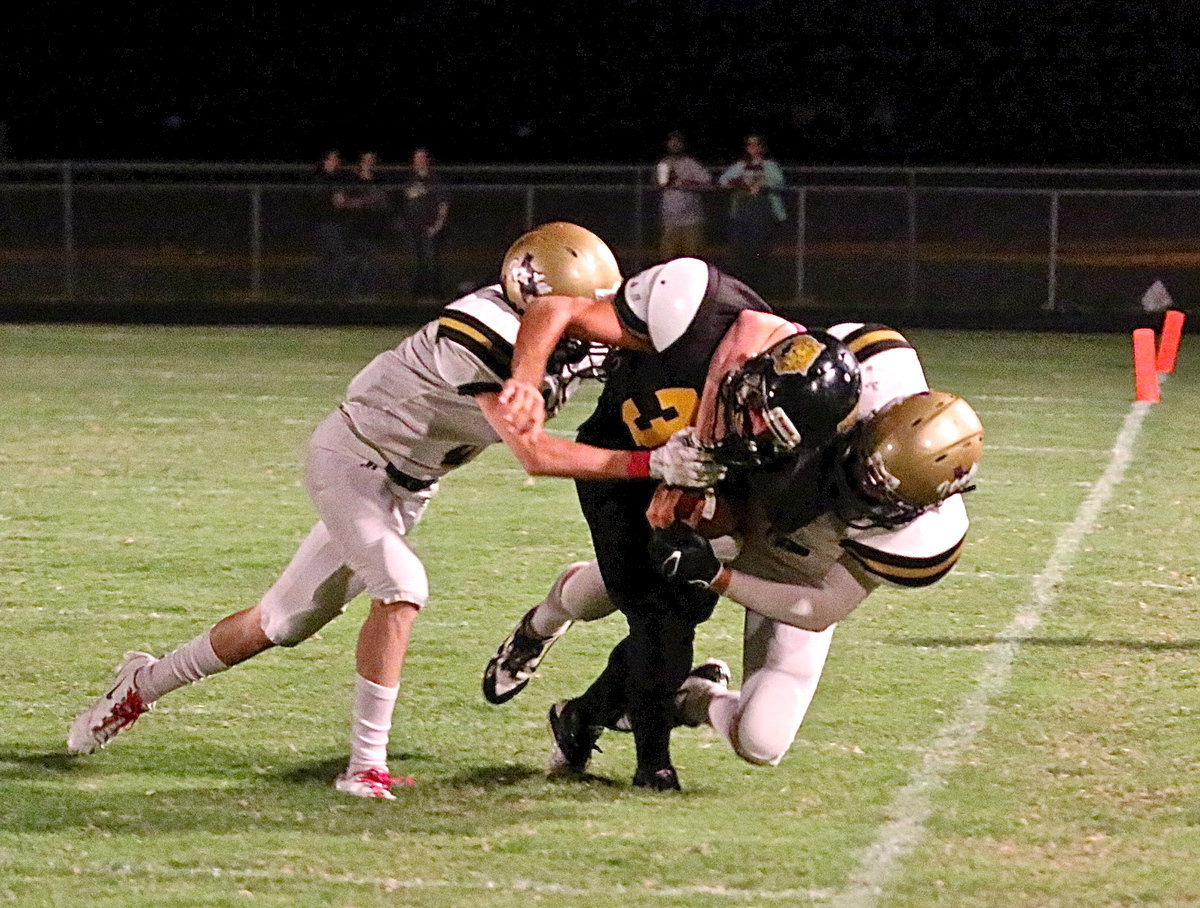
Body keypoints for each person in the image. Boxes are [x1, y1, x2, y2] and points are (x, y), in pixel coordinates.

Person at [66, 223, 723, 800]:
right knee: (402, 587)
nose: (588, 323)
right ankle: (365, 766)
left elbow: (638, 350)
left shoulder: (583, 328)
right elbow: (536, 454)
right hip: (352, 459)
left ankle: (141, 684)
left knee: (281, 621)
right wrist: (652, 465)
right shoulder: (477, 331)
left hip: (408, 488)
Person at [485, 325, 982, 783]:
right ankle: (544, 621)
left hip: (802, 571)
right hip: (749, 501)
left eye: (880, 495)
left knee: (761, 742)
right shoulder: (862, 373)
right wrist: (702, 464)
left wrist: (718, 577)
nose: (859, 490)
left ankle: (689, 697)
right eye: (864, 469)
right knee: (629, 580)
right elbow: (756, 349)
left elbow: (822, 608)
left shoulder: (927, 538)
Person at [496, 259, 862, 790]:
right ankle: (652, 764)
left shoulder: (782, 439)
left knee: (682, 606)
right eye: (760, 411)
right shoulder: (696, 312)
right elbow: (555, 308)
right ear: (759, 370)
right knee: (659, 621)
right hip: (616, 467)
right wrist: (527, 382)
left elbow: (733, 510)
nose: (755, 429)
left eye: (773, 432)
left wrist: (695, 506)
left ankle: (581, 717)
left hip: (680, 481)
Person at [717, 134, 786, 296]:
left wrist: (760, 184)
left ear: (762, 148)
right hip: (743, 215)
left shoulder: (769, 165)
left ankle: (762, 287)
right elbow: (723, 180)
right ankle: (743, 286)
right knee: (741, 252)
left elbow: (779, 182)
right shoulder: (740, 166)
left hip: (763, 215)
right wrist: (739, 182)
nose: (753, 148)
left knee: (761, 251)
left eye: (756, 145)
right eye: (750, 145)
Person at [397, 147, 450, 299]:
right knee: (414, 261)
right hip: (411, 229)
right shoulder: (408, 180)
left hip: (429, 228)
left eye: (422, 158)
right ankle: (416, 294)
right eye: (416, 158)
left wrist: (437, 226)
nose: (419, 161)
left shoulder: (435, 180)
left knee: (431, 261)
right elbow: (401, 203)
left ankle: (434, 294)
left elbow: (443, 205)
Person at [341, 151, 393, 299]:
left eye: (372, 160)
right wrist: (366, 201)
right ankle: (353, 293)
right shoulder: (353, 180)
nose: (369, 163)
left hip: (375, 228)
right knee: (358, 261)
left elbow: (385, 201)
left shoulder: (379, 180)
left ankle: (368, 294)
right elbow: (345, 202)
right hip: (356, 227)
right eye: (366, 160)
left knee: (372, 261)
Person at [655, 131, 711, 260]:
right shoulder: (663, 164)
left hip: (691, 221)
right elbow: (658, 184)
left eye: (677, 142)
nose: (674, 145)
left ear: (683, 145)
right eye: (672, 142)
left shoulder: (691, 164)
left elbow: (707, 182)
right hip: (669, 221)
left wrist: (686, 183)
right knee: (668, 261)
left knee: (692, 261)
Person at [312, 149, 354, 300]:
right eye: (331, 160)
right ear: (325, 162)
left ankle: (327, 293)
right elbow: (329, 201)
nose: (334, 163)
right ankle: (330, 292)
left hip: (337, 223)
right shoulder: (321, 179)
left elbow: (343, 200)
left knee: (331, 257)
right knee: (335, 256)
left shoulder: (339, 178)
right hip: (325, 223)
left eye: (336, 160)